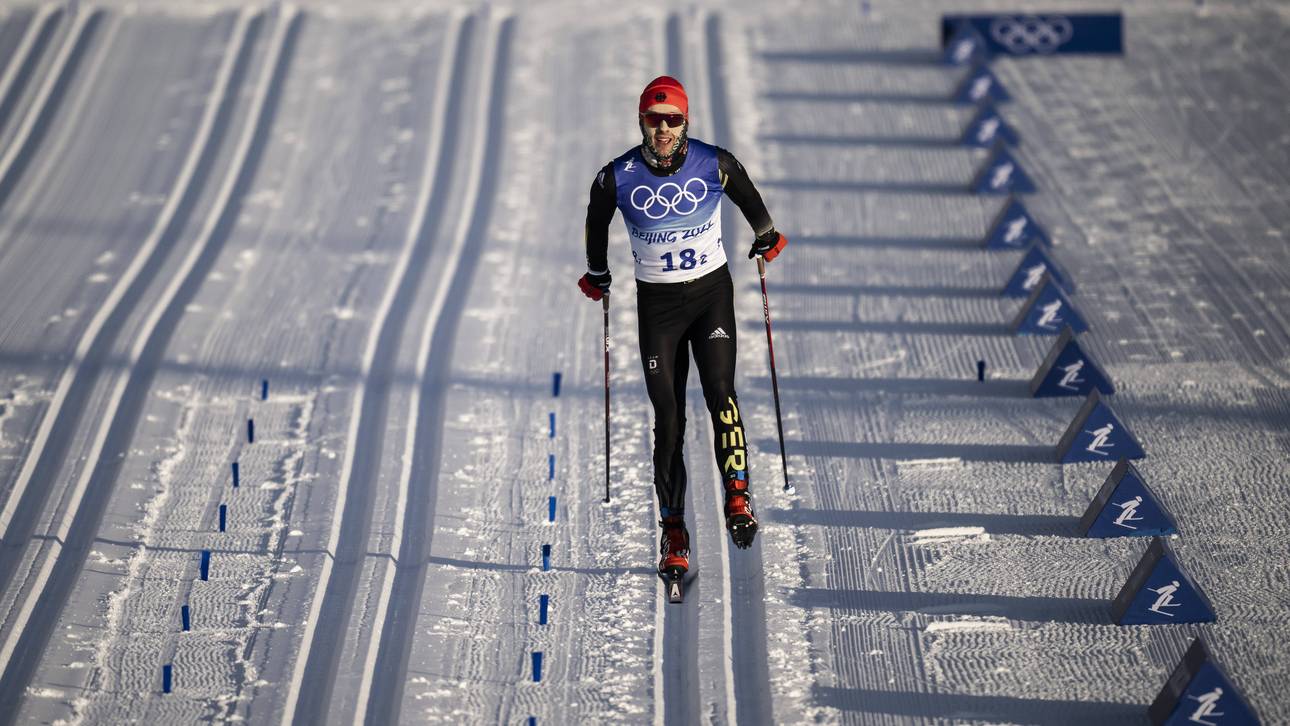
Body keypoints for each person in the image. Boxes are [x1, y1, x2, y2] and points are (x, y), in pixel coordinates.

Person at [578, 75, 787, 577]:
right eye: (655, 120)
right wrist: (598, 273)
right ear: (642, 123)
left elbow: (754, 205)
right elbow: (596, 220)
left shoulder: (714, 162)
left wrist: (767, 236)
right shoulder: (617, 176)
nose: (664, 129)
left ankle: (737, 496)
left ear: (685, 121)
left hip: (711, 296)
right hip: (659, 308)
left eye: (673, 119)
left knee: (720, 391)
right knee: (668, 418)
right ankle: (673, 529)